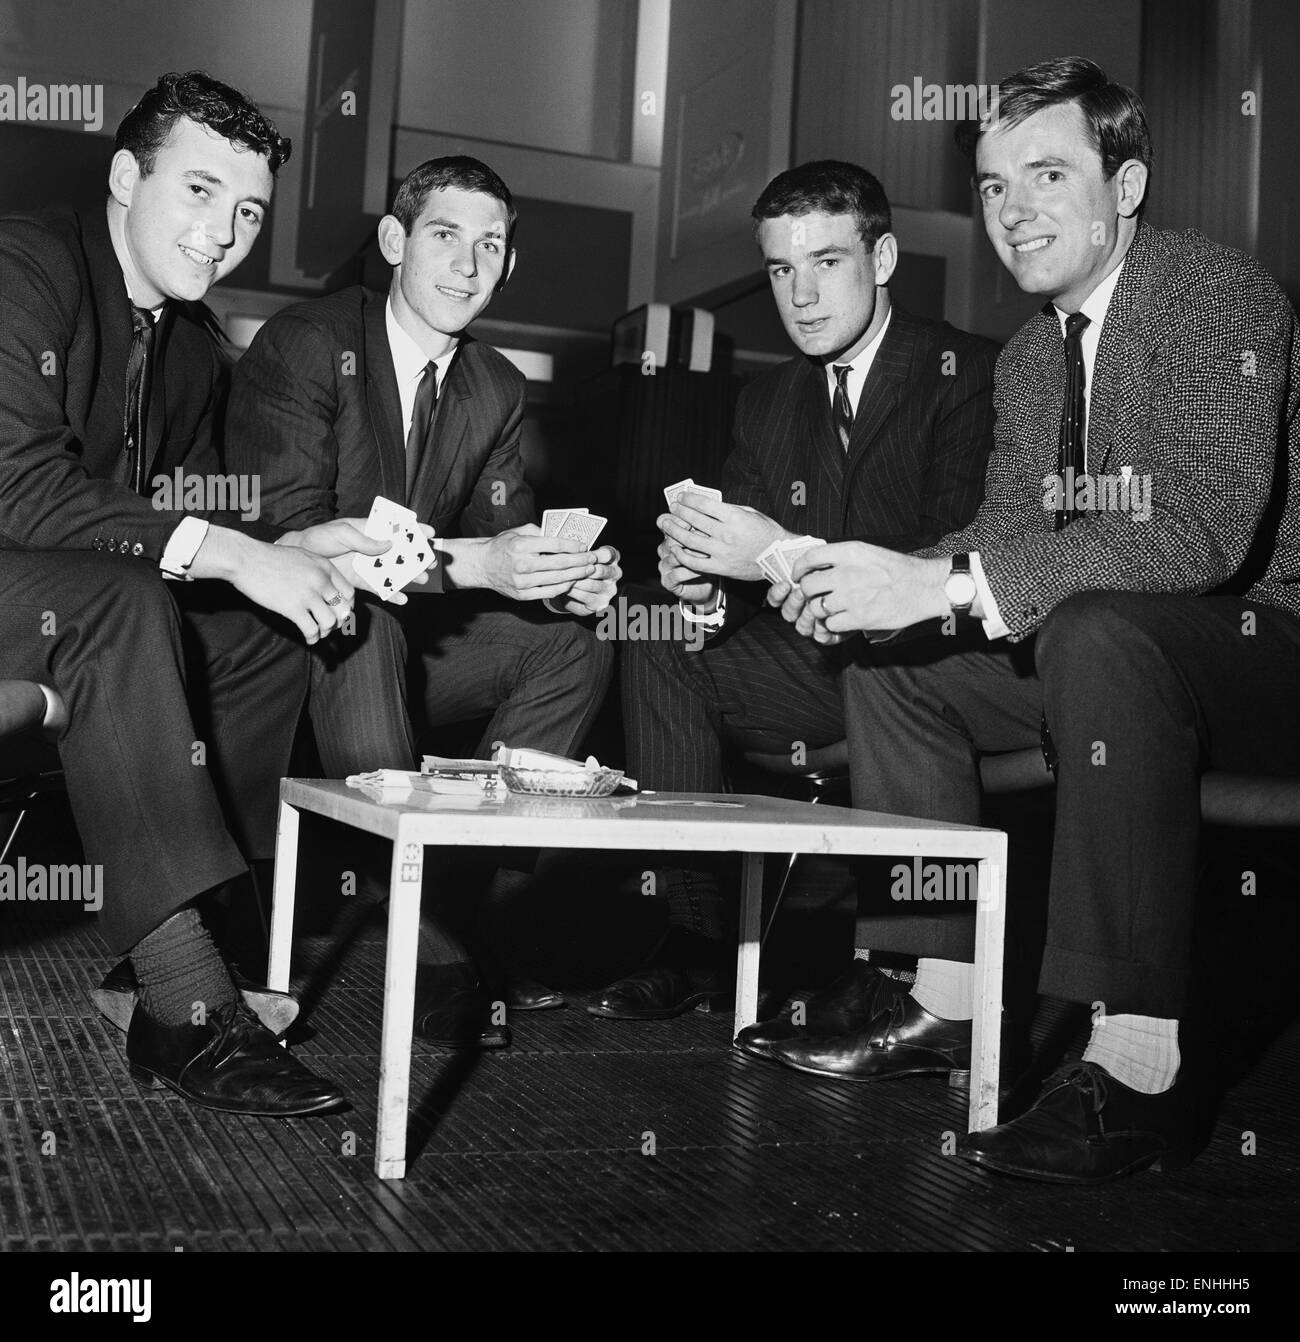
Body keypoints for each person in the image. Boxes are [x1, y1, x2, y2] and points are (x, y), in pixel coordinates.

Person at [769, 56, 1300, 1184]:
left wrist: (952, 585)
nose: (1012, 210)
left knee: (1100, 626)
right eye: (993, 184)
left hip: (1262, 646)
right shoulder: (1024, 359)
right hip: (1110, 651)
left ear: (1128, 184)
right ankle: (943, 994)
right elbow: (1001, 537)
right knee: (895, 658)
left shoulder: (1217, 295)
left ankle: (1137, 1066)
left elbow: (1198, 532)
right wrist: (857, 575)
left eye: (1047, 174)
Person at [0, 71, 394, 1115]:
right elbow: (20, 484)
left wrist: (293, 546)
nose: (224, 233)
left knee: (269, 630)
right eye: (201, 192)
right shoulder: (25, 262)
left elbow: (169, 519)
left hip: (57, 597)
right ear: (127, 177)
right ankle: (183, 1010)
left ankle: (183, 930)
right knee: (122, 603)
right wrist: (230, 550)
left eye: (248, 210)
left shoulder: (187, 349)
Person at [225, 156, 619, 1048]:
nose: (468, 266)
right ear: (396, 241)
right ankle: (441, 951)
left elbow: (499, 538)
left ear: (510, 266)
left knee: (579, 646)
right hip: (286, 649)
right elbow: (291, 537)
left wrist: (561, 575)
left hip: (405, 651)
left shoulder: (497, 388)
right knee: (361, 624)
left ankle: (460, 901)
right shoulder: (307, 340)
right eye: (446, 236)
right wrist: (485, 563)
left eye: (492, 246)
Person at [593, 161, 998, 1020]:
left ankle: (900, 970)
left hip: (921, 658)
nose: (801, 296)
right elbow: (742, 583)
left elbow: (942, 561)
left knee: (887, 667)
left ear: (883, 258)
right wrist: (702, 585)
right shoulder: (770, 398)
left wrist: (776, 550)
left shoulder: (968, 371)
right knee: (659, 630)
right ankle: (697, 937)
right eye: (782, 270)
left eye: (827, 263)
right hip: (811, 668)